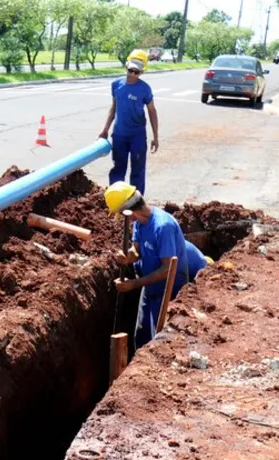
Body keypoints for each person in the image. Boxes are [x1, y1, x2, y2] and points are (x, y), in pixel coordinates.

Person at [105, 182, 208, 349]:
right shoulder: (139, 222)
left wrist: (133, 284)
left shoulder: (163, 226)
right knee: (141, 334)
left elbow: (168, 269)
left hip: (170, 289)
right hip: (150, 287)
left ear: (129, 211)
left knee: (158, 340)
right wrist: (128, 257)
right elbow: (136, 251)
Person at [99, 49, 159, 196]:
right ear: (126, 66)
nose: (132, 74)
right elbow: (113, 107)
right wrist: (105, 129)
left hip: (137, 135)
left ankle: (136, 203)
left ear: (142, 72)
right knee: (118, 168)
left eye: (136, 72)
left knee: (138, 170)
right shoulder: (116, 85)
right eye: (130, 70)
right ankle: (115, 198)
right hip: (119, 135)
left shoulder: (144, 89)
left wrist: (155, 136)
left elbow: (152, 111)